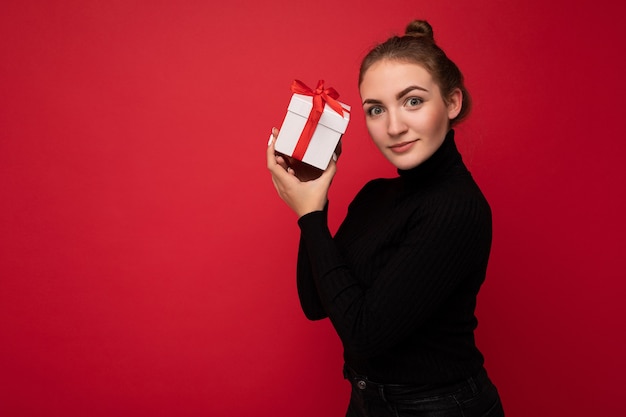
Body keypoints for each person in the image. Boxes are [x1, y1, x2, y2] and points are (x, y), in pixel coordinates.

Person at [266, 19, 505, 417]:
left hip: (441, 408)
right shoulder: (375, 195)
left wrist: (308, 215)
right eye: (376, 110)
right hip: (367, 403)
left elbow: (362, 335)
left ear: (452, 103)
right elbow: (315, 303)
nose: (394, 127)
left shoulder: (457, 207)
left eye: (413, 101)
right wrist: (314, 200)